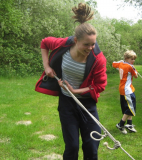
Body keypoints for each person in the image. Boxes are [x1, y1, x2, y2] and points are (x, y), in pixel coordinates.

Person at [35, 3, 107, 160]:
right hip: (67, 103)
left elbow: (100, 86)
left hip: (87, 104)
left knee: (92, 146)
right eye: (86, 44)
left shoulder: (98, 58)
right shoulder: (64, 44)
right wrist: (46, 66)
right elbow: (44, 42)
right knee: (72, 146)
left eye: (93, 44)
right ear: (75, 40)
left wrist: (76, 91)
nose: (90, 48)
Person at [112, 50, 138, 134]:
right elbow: (136, 76)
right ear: (126, 58)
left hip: (122, 89)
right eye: (132, 59)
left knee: (129, 106)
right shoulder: (130, 67)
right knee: (130, 108)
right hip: (127, 90)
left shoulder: (121, 64)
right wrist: (134, 69)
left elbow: (113, 64)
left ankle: (129, 124)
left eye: (134, 59)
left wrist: (121, 61)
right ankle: (121, 124)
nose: (133, 61)